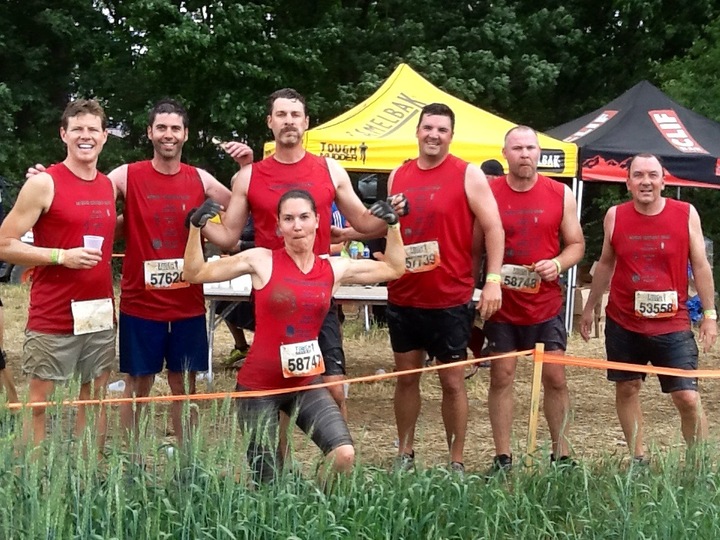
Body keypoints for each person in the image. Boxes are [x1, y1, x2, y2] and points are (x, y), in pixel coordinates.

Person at [29, 99, 253, 449]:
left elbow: (233, 226)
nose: (168, 134)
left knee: (185, 387)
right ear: (150, 132)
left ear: (185, 135)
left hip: (187, 304)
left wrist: (245, 169)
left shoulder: (200, 178)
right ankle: (132, 461)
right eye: (161, 127)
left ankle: (188, 464)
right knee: (138, 385)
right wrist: (46, 183)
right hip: (139, 303)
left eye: (175, 128)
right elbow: (87, 198)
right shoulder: (126, 175)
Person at [202, 88, 403, 418]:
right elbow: (228, 237)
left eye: (295, 115)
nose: (289, 121)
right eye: (281, 115)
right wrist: (198, 222)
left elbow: (365, 223)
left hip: (318, 290)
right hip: (273, 294)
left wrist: (390, 214)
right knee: (281, 391)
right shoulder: (250, 176)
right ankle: (282, 469)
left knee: (336, 389)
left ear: (306, 122)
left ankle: (336, 462)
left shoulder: (330, 170)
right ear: (270, 122)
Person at [183, 190, 405, 483]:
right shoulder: (260, 260)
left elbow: (394, 267)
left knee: (344, 455)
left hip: (305, 382)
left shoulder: (333, 268)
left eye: (303, 217)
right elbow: (194, 272)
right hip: (258, 387)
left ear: (317, 221)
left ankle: (316, 507)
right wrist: (195, 229)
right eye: (288, 219)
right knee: (268, 480)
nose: (297, 225)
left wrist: (394, 228)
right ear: (278, 226)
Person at [387, 103, 505, 473]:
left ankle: (456, 461)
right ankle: (405, 454)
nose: (434, 135)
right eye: (428, 128)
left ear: (451, 136)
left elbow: (494, 228)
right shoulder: (398, 174)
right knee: (406, 379)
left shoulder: (468, 174)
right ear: (417, 131)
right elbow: (388, 226)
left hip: (450, 297)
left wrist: (493, 281)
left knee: (452, 382)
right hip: (404, 294)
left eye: (442, 129)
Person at [580, 153, 716, 463]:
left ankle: (700, 465)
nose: (646, 181)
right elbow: (605, 263)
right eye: (638, 175)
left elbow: (701, 265)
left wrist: (709, 314)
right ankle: (638, 460)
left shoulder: (685, 213)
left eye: (653, 175)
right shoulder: (615, 215)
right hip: (624, 321)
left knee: (687, 397)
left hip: (673, 323)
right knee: (627, 388)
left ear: (663, 181)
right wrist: (590, 308)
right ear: (627, 183)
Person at [0, 99, 116, 447]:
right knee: (39, 405)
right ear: (63, 134)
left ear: (104, 136)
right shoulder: (44, 184)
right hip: (53, 313)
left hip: (98, 311)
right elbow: (5, 243)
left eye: (92, 129)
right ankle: (30, 482)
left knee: (94, 400)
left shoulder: (108, 185)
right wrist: (59, 256)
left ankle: (87, 476)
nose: (85, 136)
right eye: (77, 129)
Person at [485, 125, 585, 472]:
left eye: (530, 148)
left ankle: (562, 455)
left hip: (545, 304)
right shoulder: (489, 193)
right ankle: (503, 457)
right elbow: (472, 247)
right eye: (517, 148)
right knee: (502, 376)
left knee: (556, 378)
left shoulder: (560, 193)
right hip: (502, 304)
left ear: (540, 154)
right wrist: (479, 289)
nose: (524, 154)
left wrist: (557, 263)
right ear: (505, 154)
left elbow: (577, 245)